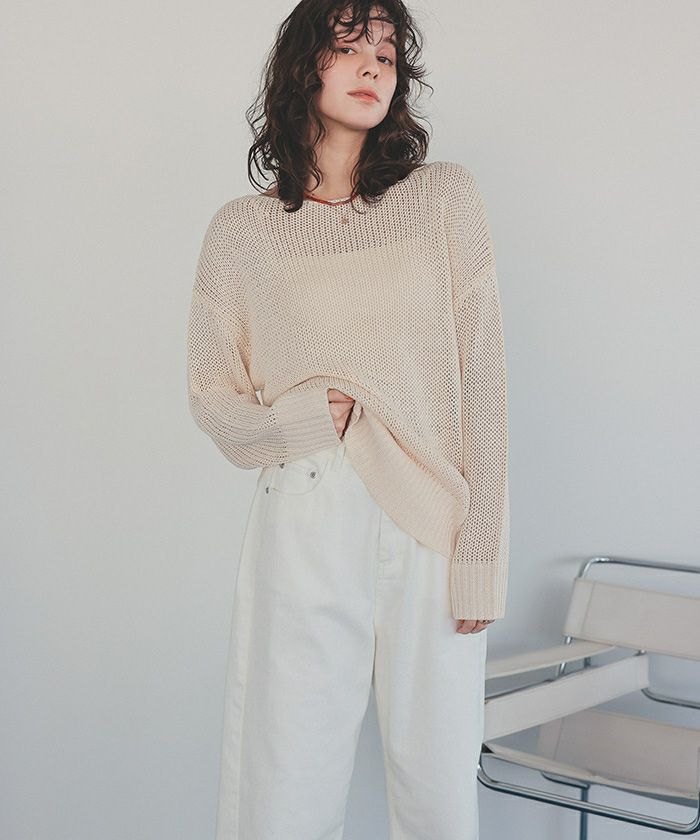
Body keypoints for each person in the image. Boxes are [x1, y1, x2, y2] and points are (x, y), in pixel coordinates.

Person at [186, 1, 509, 837]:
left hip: (430, 516)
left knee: (438, 795)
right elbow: (212, 395)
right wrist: (294, 423)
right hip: (306, 509)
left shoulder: (444, 199)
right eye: (349, 47)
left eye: (388, 54)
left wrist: (482, 552)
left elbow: (482, 379)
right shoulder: (242, 233)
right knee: (285, 784)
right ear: (304, 68)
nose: (373, 67)